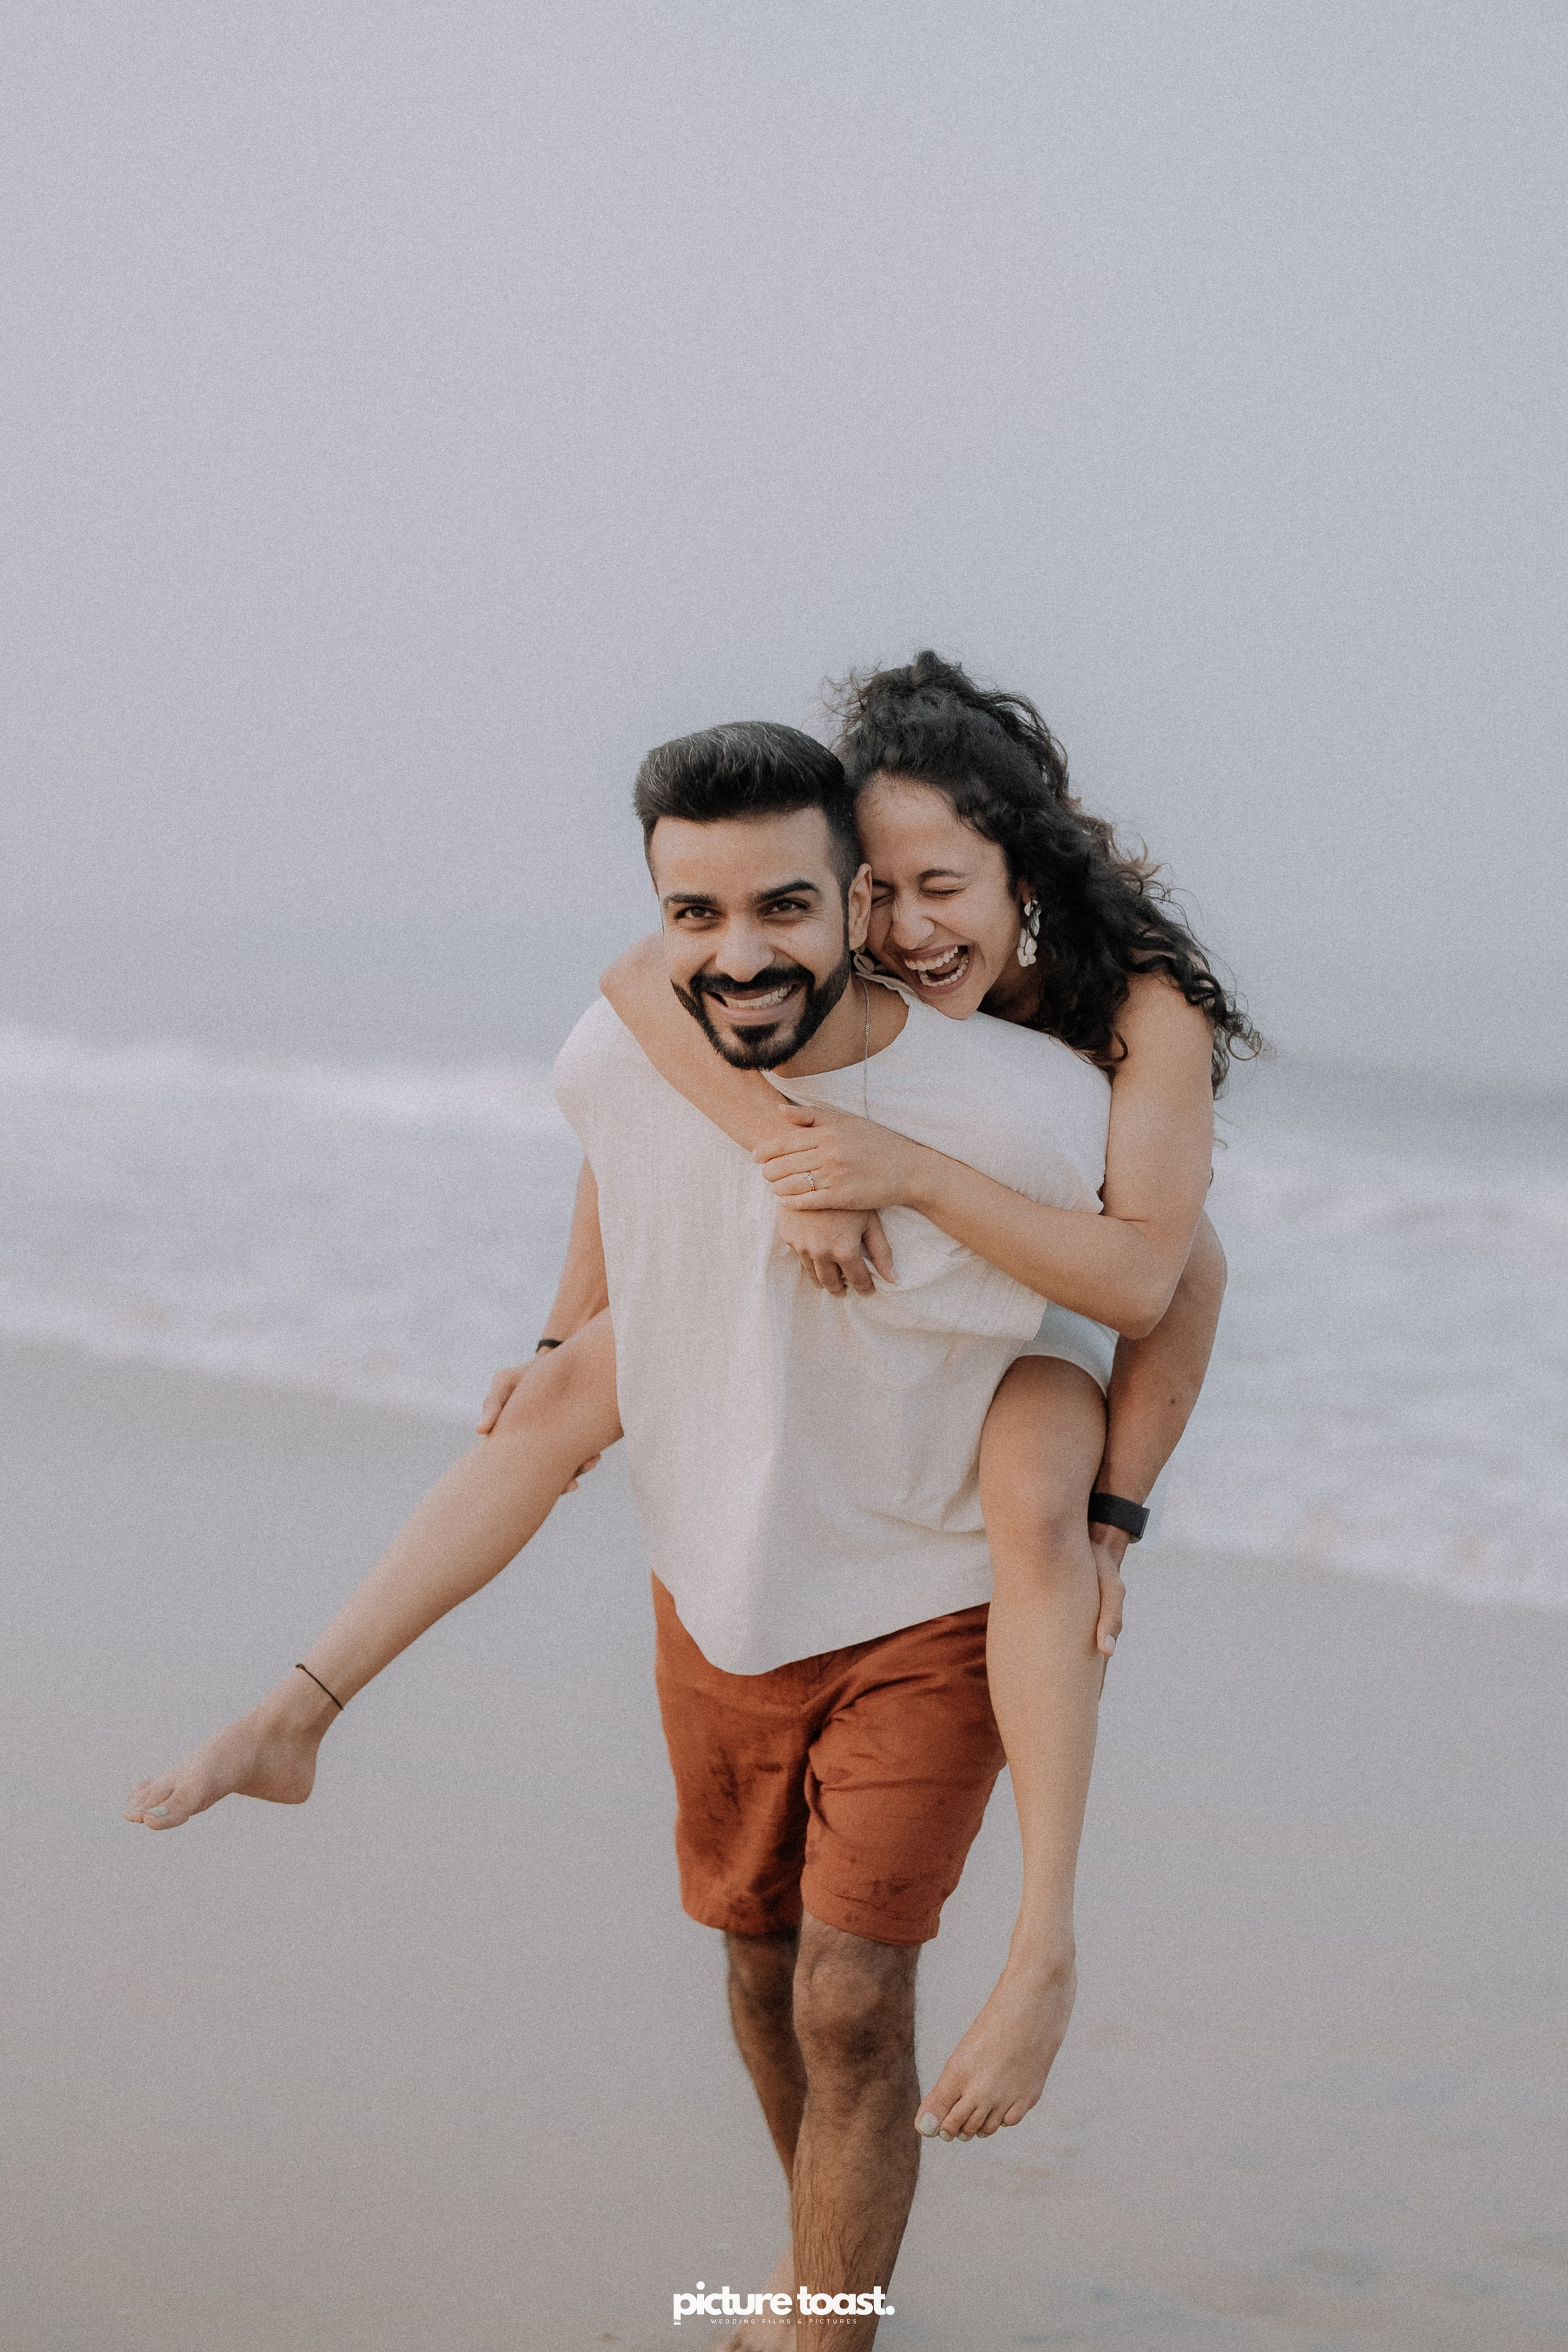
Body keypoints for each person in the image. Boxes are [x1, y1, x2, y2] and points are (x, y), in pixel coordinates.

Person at [126, 699, 1248, 2351]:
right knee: (755, 1958)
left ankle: (966, 2083)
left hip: (986, 1448)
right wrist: (585, 1305)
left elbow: (1174, 1274)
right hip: (737, 1561)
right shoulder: (677, 1009)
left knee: (860, 1976)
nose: (899, 925)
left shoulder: (1083, 1049)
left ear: (1027, 875)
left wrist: (1119, 1513)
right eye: (877, 890)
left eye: (924, 887)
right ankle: (811, 2288)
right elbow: (623, 1112)